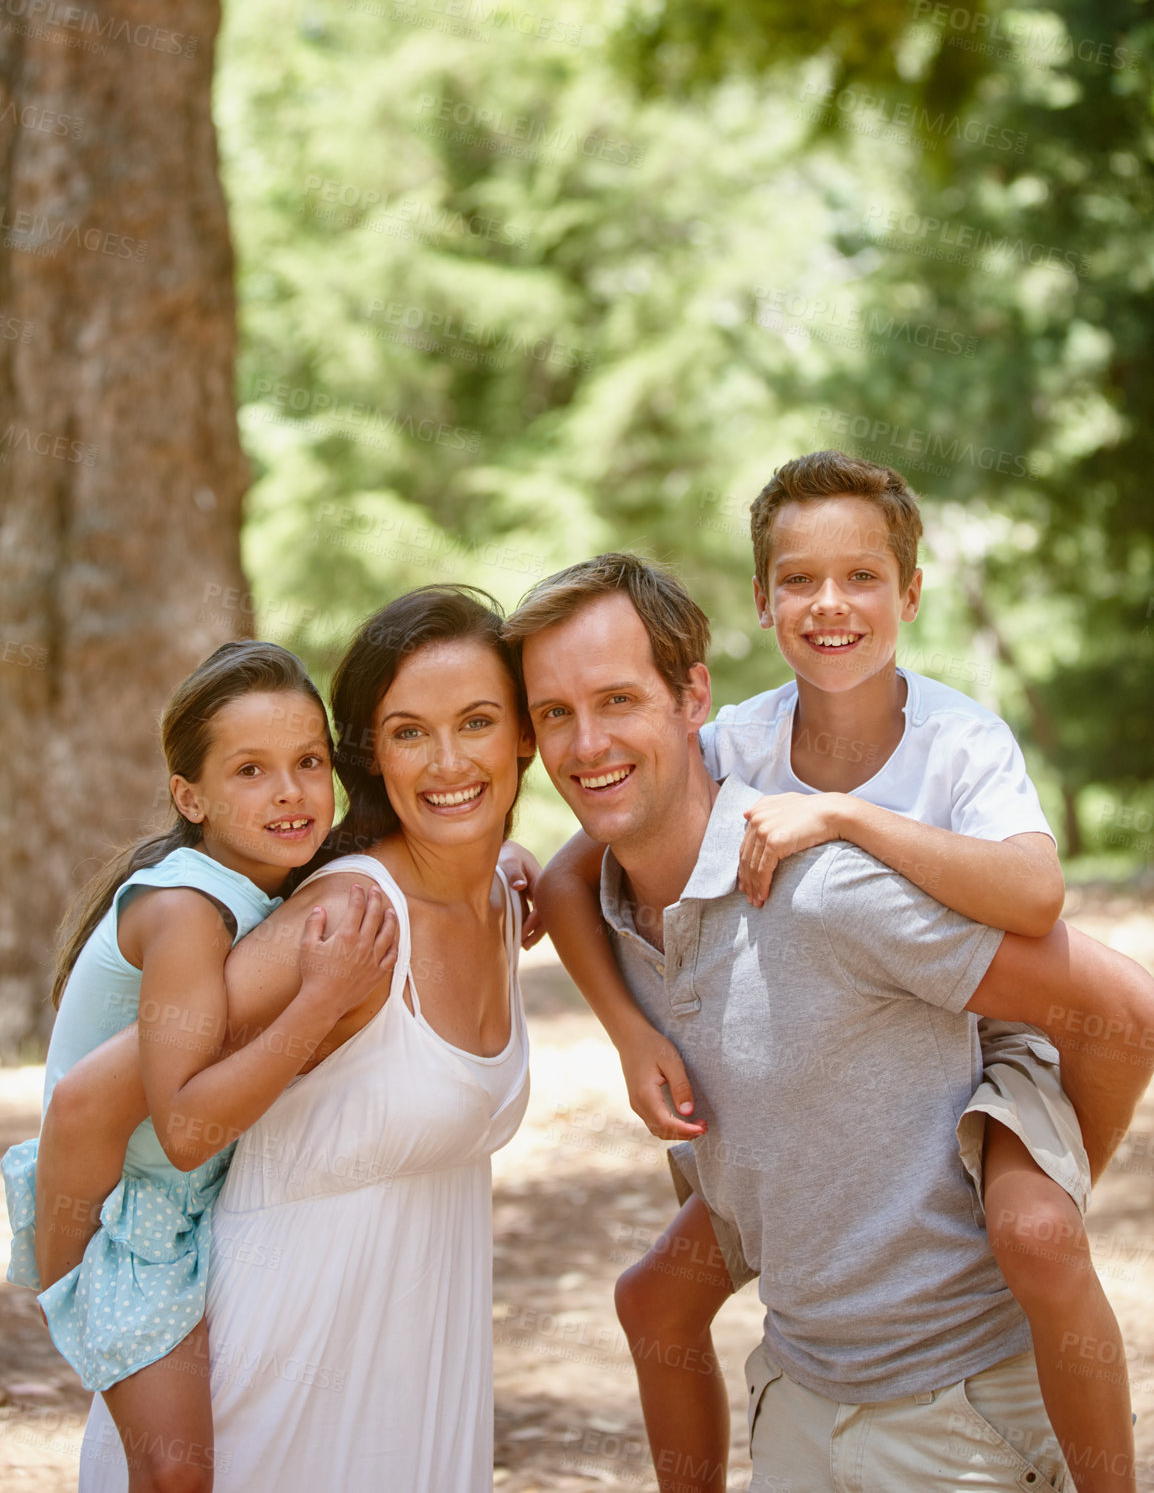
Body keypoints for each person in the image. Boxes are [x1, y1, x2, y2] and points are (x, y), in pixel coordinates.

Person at [505, 553, 1154, 1493]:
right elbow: (554, 886)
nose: (586, 744)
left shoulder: (827, 885)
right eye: (554, 714)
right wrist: (623, 1031)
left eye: (616, 701)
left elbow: (1123, 1013)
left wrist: (1048, 1178)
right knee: (650, 1299)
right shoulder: (607, 905)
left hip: (955, 1419)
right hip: (799, 1408)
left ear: (693, 700)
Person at [69, 584, 535, 1493]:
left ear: (523, 733)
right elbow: (97, 1099)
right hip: (273, 1401)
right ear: (373, 754)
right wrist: (79, 1291)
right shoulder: (345, 921)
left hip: (412, 1397)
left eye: (477, 721)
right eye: (408, 732)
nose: (447, 762)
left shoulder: (503, 903)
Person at [2, 641, 396, 1493]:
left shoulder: (269, 869)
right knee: (178, 1472)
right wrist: (319, 1003)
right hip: (127, 1224)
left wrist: (506, 862)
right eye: (250, 770)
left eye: (308, 762)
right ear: (192, 796)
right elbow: (183, 1132)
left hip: (182, 1210)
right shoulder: (187, 910)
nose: (291, 791)